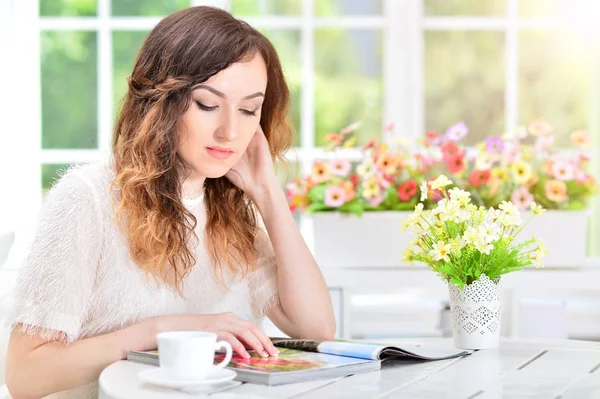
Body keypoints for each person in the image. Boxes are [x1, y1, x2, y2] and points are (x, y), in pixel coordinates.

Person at [4, 6, 335, 398]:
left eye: (249, 110)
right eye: (207, 104)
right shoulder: (87, 199)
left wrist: (268, 194)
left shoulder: (233, 208)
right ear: (162, 100)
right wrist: (163, 330)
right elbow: (24, 377)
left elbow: (317, 330)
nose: (230, 131)